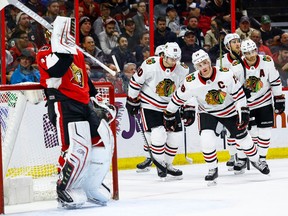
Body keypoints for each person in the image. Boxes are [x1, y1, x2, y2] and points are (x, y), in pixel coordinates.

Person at [36, 16, 116, 208]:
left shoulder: (75, 53)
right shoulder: (45, 52)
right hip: (63, 103)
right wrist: (65, 49)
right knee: (73, 147)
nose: (70, 36)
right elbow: (57, 70)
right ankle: (64, 188)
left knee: (101, 143)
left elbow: (83, 77)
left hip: (84, 102)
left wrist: (95, 98)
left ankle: (90, 185)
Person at [164, 49, 270, 184]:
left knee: (244, 139)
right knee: (206, 140)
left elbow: (239, 96)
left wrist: (243, 111)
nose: (203, 67)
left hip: (230, 110)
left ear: (209, 62)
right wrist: (169, 114)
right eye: (199, 65)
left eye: (205, 63)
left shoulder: (226, 74)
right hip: (207, 112)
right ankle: (212, 169)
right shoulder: (191, 81)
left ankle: (256, 161)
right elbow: (177, 98)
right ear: (196, 67)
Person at [125, 42, 189, 178]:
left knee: (175, 137)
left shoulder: (182, 69)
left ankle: (168, 164)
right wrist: (132, 100)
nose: (174, 62)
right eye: (172, 59)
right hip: (150, 104)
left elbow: (186, 90)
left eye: (176, 59)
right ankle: (160, 164)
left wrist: (187, 107)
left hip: (171, 106)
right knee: (158, 133)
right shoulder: (150, 64)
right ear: (164, 55)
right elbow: (136, 82)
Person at [231, 39, 285, 172]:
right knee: (244, 132)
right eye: (247, 53)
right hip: (245, 105)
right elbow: (232, 86)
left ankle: (262, 158)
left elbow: (275, 80)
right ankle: (242, 158)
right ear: (243, 53)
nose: (251, 55)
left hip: (264, 101)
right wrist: (241, 92)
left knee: (265, 131)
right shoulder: (237, 65)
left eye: (253, 51)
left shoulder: (266, 61)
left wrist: (278, 97)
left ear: (256, 49)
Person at [215, 33, 242, 170]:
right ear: (227, 46)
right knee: (231, 129)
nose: (237, 44)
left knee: (244, 128)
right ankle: (233, 155)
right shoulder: (221, 61)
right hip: (229, 99)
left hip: (243, 97)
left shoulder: (246, 57)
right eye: (234, 42)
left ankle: (243, 154)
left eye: (239, 41)